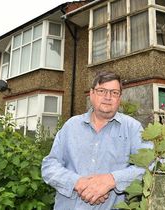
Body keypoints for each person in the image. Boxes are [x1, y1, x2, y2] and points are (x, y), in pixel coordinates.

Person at [41, 71, 152, 209]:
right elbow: (49, 166)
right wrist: (78, 183)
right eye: (101, 91)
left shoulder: (133, 128)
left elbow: (151, 166)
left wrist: (112, 180)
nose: (108, 97)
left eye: (114, 92)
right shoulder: (71, 126)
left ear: (120, 98)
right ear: (92, 94)